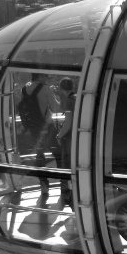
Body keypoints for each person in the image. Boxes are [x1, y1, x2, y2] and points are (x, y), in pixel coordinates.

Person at [18, 73, 59, 196]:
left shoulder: (24, 89)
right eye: (45, 76)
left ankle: (44, 185)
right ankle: (65, 184)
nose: (46, 78)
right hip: (47, 126)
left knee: (39, 155)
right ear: (40, 77)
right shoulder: (46, 89)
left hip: (34, 127)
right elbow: (56, 108)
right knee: (59, 152)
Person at [55, 77, 77, 208]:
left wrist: (59, 135)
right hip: (78, 137)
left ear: (61, 88)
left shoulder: (69, 101)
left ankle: (71, 197)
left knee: (68, 166)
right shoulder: (76, 97)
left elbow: (68, 122)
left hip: (70, 138)